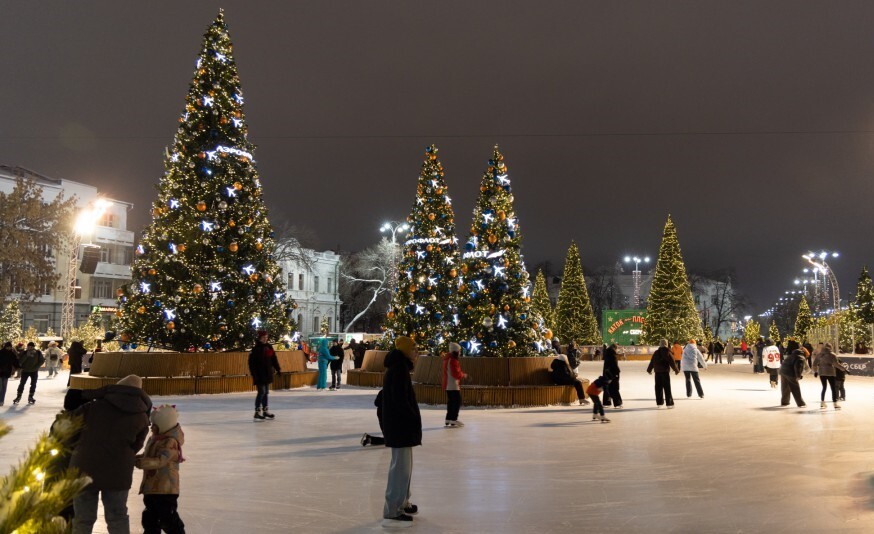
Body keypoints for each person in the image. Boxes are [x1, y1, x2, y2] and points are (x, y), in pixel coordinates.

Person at [70, 375, 152, 534]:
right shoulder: (141, 416)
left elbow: (69, 429)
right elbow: (136, 445)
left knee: (83, 519)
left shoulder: (92, 407)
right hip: (118, 471)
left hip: (83, 467)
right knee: (117, 517)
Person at [381, 336, 421, 528]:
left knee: (405, 467)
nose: (417, 352)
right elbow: (399, 400)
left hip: (400, 425)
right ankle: (393, 508)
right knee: (400, 469)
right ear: (405, 350)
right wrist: (411, 417)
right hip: (399, 425)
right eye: (414, 349)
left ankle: (402, 502)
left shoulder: (400, 367)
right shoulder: (399, 369)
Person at [135, 404, 186, 534]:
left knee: (168, 519)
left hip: (165, 490)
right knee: (149, 519)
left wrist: (139, 462)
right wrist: (134, 458)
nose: (151, 427)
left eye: (154, 425)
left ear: (164, 425)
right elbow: (148, 457)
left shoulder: (170, 442)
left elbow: (160, 461)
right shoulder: (154, 439)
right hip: (152, 488)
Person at [248, 330, 280, 420]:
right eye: (263, 337)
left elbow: (274, 359)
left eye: (266, 337)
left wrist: (278, 369)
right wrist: (254, 374)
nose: (265, 339)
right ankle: (257, 412)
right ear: (260, 338)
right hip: (259, 374)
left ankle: (265, 411)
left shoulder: (269, 347)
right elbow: (251, 363)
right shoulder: (256, 349)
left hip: (267, 373)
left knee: (265, 392)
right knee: (261, 392)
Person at [647, 339, 680, 408]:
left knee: (658, 388)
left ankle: (659, 403)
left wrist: (649, 370)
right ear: (666, 344)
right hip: (665, 373)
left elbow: (652, 362)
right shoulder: (668, 352)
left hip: (657, 373)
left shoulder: (656, 352)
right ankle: (669, 404)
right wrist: (676, 370)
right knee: (667, 388)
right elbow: (672, 362)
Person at [442, 342, 468, 427]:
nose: (460, 353)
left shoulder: (447, 359)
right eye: (459, 351)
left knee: (451, 402)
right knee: (457, 402)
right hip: (453, 384)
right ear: (455, 351)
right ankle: (453, 419)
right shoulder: (453, 360)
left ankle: (448, 418)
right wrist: (463, 375)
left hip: (448, 384)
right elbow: (456, 373)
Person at [813, 343, 845, 410]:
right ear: (830, 347)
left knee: (824, 387)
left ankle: (822, 402)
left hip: (822, 373)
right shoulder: (832, 355)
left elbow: (814, 364)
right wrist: (843, 369)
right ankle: (835, 403)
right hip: (831, 372)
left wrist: (815, 371)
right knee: (833, 388)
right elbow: (836, 364)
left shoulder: (819, 355)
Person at [13, 341, 45, 405]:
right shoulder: (24, 353)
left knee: (33, 384)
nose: (29, 348)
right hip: (25, 371)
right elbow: (20, 361)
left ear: (33, 347)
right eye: (28, 346)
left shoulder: (38, 352)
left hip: (34, 371)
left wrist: (36, 367)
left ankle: (31, 396)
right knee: (22, 384)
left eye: (31, 346)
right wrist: (26, 356)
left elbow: (42, 360)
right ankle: (19, 396)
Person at [602, 343, 623, 408]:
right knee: (615, 387)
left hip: (606, 372)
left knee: (607, 387)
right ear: (615, 348)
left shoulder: (607, 353)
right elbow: (614, 364)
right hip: (612, 373)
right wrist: (617, 372)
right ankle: (617, 403)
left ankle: (606, 402)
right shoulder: (612, 353)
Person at [0, 341, 19, 406]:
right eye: (8, 347)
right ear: (5, 347)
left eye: (10, 347)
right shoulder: (1, 352)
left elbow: (15, 361)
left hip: (7, 372)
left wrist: (18, 366)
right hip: (0, 372)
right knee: (0, 387)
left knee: (4, 387)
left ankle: (1, 400)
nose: (9, 348)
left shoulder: (11, 354)